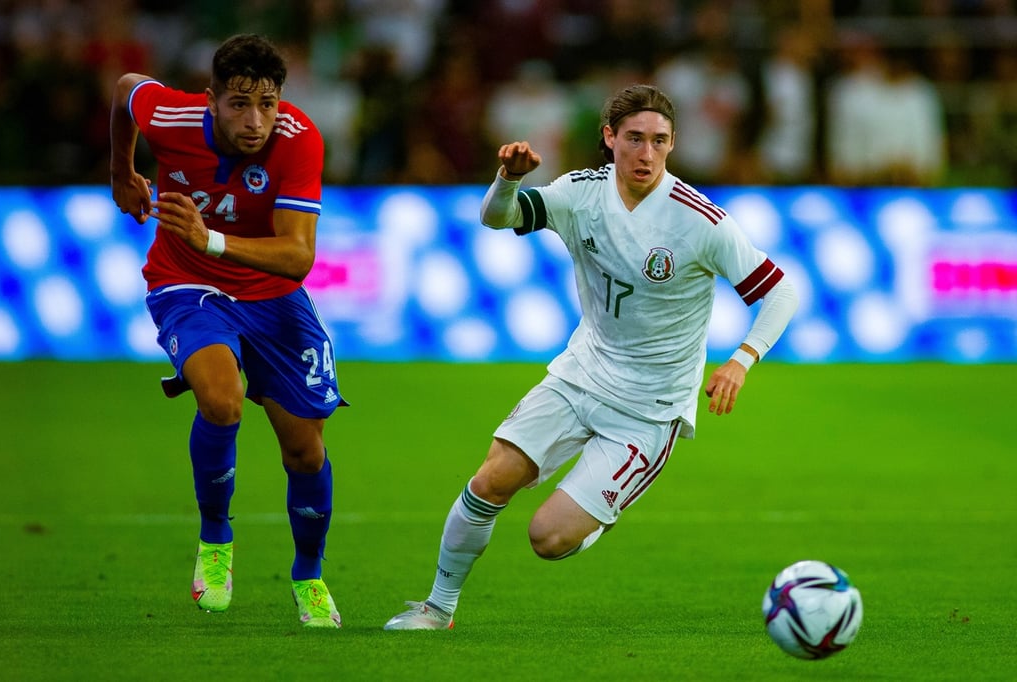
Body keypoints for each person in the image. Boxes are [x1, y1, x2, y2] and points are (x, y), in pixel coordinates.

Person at [384, 84, 799, 630]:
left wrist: (741, 359)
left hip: (648, 411)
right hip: (580, 375)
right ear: (609, 138)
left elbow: (781, 292)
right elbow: (497, 218)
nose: (646, 154)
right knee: (489, 481)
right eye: (634, 139)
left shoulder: (700, 220)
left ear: (672, 144)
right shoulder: (579, 193)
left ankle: (597, 517)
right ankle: (437, 609)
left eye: (658, 141)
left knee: (548, 539)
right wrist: (508, 179)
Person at [110, 33, 347, 628]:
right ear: (210, 99)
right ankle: (216, 540)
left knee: (304, 448)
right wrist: (122, 171)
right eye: (239, 103)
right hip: (187, 285)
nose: (255, 120)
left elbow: (297, 258)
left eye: (268, 103)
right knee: (221, 399)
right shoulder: (171, 116)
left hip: (272, 296)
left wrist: (208, 237)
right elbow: (124, 91)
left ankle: (309, 576)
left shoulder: (298, 141)